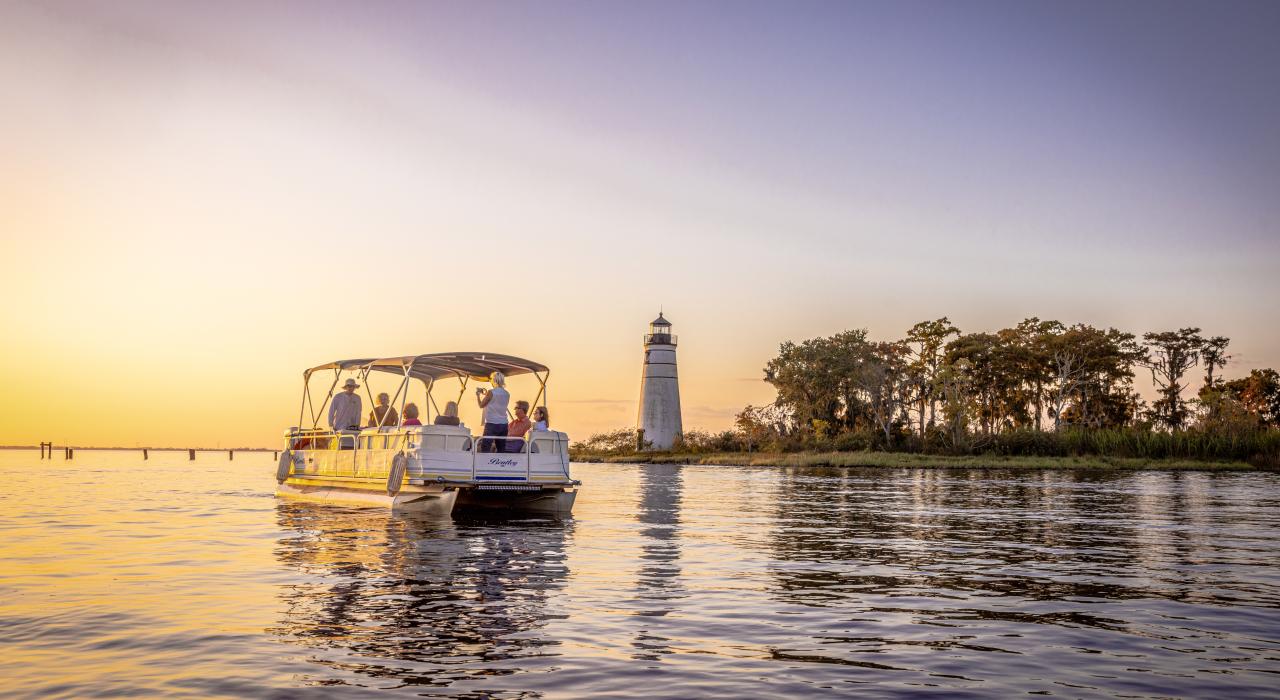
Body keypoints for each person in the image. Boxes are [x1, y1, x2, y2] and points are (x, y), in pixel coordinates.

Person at [476, 372, 510, 452]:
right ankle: (500, 463)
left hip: (492, 423)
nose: (490, 381)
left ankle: (484, 464)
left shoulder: (491, 392)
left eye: (491, 379)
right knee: (501, 448)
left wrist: (478, 395)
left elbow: (481, 405)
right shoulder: (507, 394)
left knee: (485, 447)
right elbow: (497, 403)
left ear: (494, 380)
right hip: (504, 424)